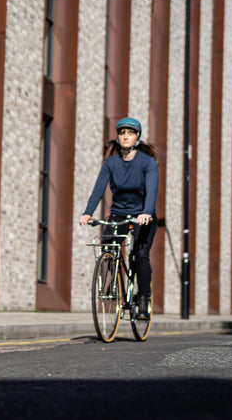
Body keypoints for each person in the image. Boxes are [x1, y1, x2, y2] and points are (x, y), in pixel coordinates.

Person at [79, 117, 159, 319]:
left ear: (137, 137)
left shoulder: (147, 162)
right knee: (108, 247)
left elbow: (151, 191)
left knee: (140, 255)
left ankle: (143, 299)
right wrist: (88, 212)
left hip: (143, 215)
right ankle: (113, 281)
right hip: (119, 213)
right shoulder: (111, 163)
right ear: (118, 137)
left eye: (130, 133)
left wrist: (146, 212)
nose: (125, 136)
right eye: (122, 133)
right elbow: (98, 189)